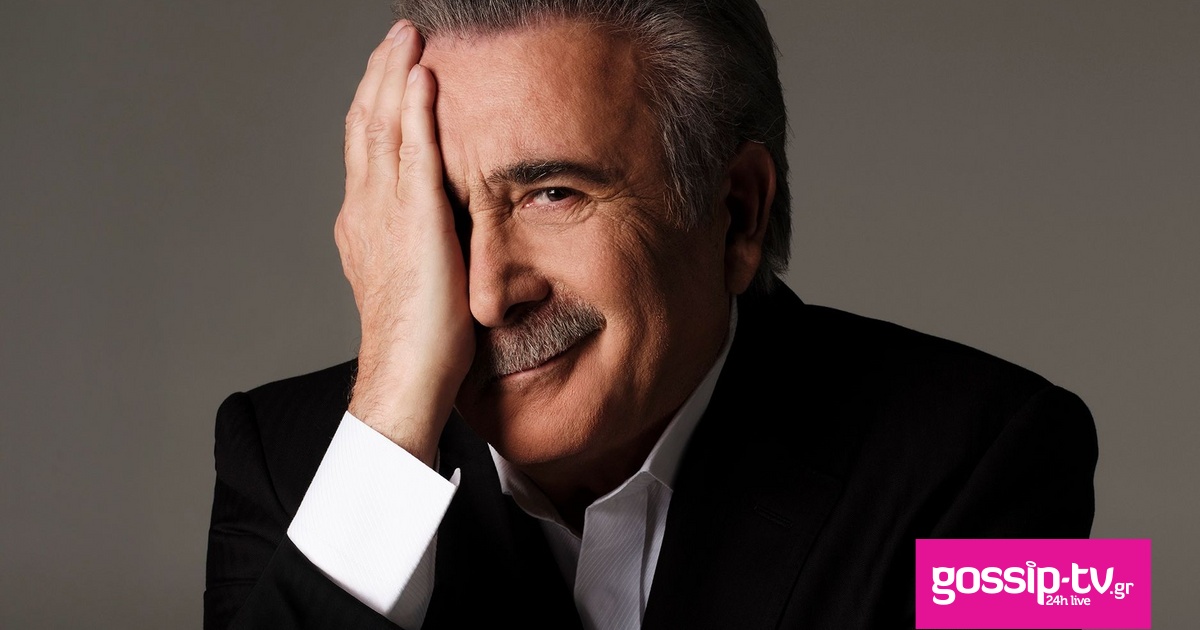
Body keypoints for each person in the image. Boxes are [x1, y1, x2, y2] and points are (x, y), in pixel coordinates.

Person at [204, 1, 1098, 628]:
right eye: (443, 208)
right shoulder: (286, 463)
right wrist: (391, 422)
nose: (487, 294)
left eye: (553, 193)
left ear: (737, 213)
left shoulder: (1012, 444)